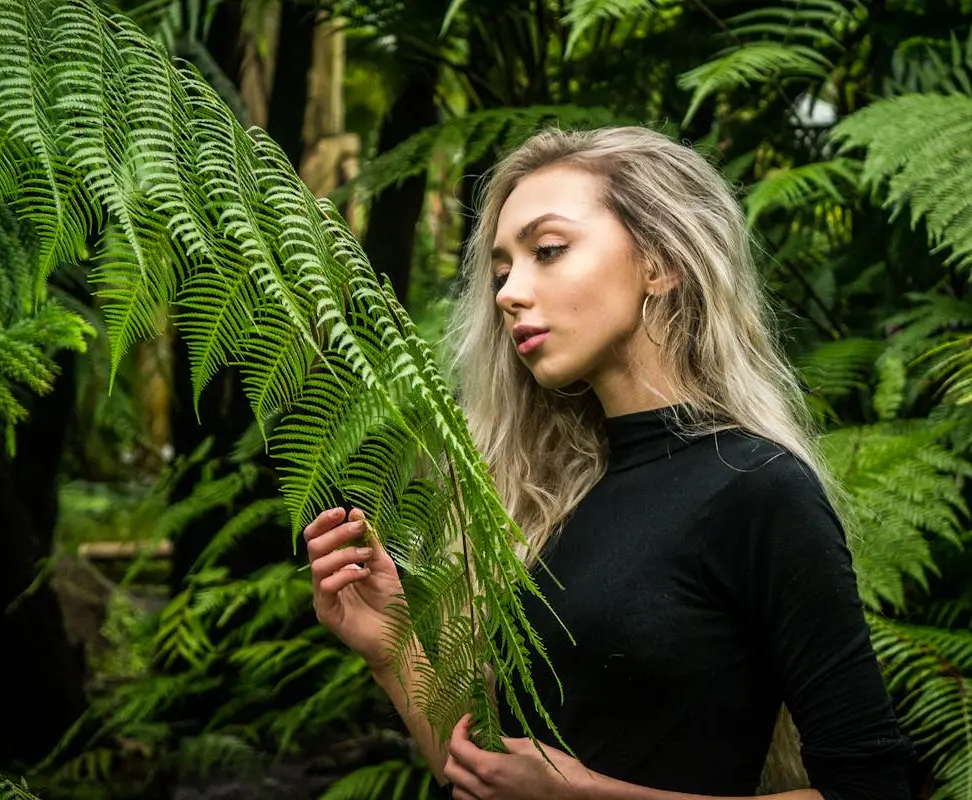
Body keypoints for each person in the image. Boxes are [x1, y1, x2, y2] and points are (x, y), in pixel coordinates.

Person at [302, 127, 915, 800]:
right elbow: (483, 777)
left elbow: (873, 789)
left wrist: (582, 796)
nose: (508, 293)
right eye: (503, 270)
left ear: (660, 262)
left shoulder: (757, 488)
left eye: (549, 250)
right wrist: (394, 649)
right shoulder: (548, 499)